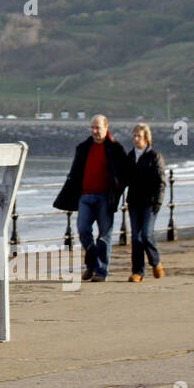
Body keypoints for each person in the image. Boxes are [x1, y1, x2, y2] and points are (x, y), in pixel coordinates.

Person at [53, 114, 127, 282]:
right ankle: (92, 262)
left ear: (106, 127)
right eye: (92, 127)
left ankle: (100, 271)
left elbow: (124, 175)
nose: (94, 131)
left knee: (104, 236)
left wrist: (116, 193)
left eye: (98, 127)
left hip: (105, 197)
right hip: (85, 196)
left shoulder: (115, 148)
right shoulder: (83, 147)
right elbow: (74, 173)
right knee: (83, 230)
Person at [124, 123, 167, 282]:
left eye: (138, 136)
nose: (135, 139)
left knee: (146, 235)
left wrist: (158, 201)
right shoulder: (130, 156)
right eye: (134, 136)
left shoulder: (154, 155)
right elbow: (124, 179)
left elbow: (161, 181)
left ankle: (156, 263)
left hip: (150, 202)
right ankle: (138, 272)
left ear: (146, 138)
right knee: (136, 237)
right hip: (134, 202)